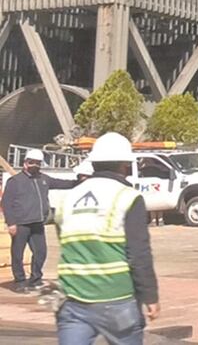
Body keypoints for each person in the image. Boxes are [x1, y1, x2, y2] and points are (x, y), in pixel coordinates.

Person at [55, 133, 160, 344]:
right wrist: (150, 296)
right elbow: (139, 254)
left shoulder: (68, 199)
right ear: (125, 165)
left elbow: (65, 241)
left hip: (73, 300)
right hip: (116, 299)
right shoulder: (127, 197)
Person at [1, 149, 77, 292]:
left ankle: (35, 279)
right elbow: (6, 203)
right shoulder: (15, 181)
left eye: (37, 163)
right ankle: (20, 281)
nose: (34, 165)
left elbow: (62, 184)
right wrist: (10, 223)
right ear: (25, 163)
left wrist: (80, 181)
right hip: (20, 223)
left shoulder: (43, 179)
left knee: (41, 252)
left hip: (37, 223)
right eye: (31, 162)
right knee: (18, 253)